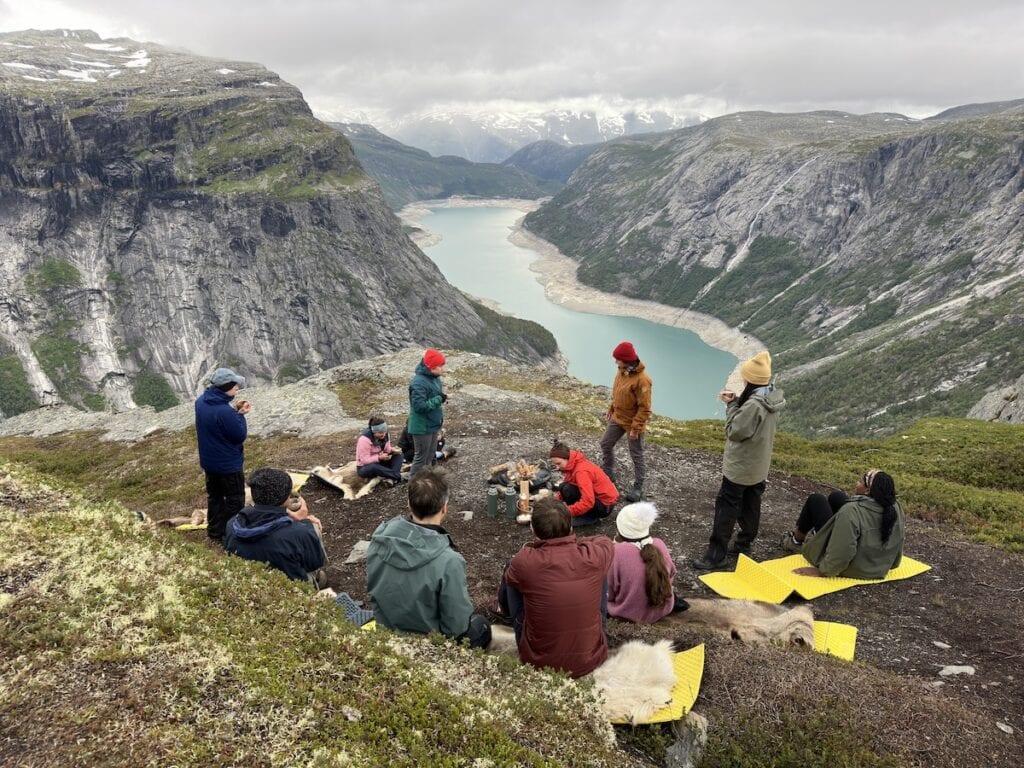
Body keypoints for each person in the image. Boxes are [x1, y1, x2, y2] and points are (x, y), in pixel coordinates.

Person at [366, 468, 491, 648]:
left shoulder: (380, 538)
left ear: (409, 503)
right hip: (428, 645)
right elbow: (456, 626)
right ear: (444, 508)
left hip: (387, 630)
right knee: (482, 626)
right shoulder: (449, 561)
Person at [497, 497, 614, 678]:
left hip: (538, 662)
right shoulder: (594, 555)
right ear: (571, 528)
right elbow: (604, 540)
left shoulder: (524, 561)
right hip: (591, 659)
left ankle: (502, 609)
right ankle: (598, 632)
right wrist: (571, 542)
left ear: (533, 530)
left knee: (511, 570)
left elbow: (515, 572)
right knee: (598, 569)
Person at [693, 351, 786, 570]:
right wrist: (738, 403)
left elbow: (735, 432)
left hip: (740, 468)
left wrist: (732, 406)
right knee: (751, 505)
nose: (743, 379)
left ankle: (716, 555)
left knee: (727, 507)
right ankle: (744, 544)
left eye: (746, 377)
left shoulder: (754, 405)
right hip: (759, 466)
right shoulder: (773, 397)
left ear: (751, 379)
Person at [785, 469, 906, 580]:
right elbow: (899, 537)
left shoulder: (850, 511)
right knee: (836, 496)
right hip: (879, 564)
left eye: (860, 481)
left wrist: (824, 571)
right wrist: (891, 563)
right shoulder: (894, 506)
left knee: (816, 500)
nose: (856, 483)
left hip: (855, 569)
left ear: (868, 491)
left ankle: (795, 542)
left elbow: (844, 550)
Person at [224, 467, 327, 584]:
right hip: (290, 588)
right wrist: (306, 524)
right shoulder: (299, 533)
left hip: (248, 582)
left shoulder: (232, 523)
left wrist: (289, 515)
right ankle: (317, 580)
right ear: (287, 497)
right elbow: (315, 562)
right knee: (314, 526)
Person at [195, 367, 251, 543]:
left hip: (210, 462)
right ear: (226, 387)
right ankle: (232, 535)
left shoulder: (201, 402)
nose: (237, 388)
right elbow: (238, 436)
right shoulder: (224, 412)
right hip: (228, 465)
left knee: (215, 497)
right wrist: (240, 415)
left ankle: (214, 532)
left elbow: (216, 424)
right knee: (235, 500)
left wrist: (233, 410)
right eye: (235, 385)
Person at [607, 502, 687, 623]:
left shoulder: (616, 552)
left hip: (627, 614)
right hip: (662, 610)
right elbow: (670, 576)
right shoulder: (659, 544)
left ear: (619, 529)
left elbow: (609, 592)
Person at [600, 341, 653, 503]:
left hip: (633, 423)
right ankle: (608, 471)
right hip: (618, 417)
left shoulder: (643, 380)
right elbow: (617, 392)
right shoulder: (622, 371)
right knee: (605, 443)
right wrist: (611, 408)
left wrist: (636, 428)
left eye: (618, 359)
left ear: (627, 359)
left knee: (636, 455)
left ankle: (638, 487)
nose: (616, 362)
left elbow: (645, 408)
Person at [550, 440, 619, 527]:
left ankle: (590, 517)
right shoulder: (573, 463)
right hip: (597, 499)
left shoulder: (581, 472)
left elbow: (588, 501)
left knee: (567, 489)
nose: (557, 467)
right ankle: (580, 511)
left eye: (558, 463)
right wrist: (554, 502)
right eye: (555, 464)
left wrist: (566, 511)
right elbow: (568, 481)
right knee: (564, 487)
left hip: (605, 506)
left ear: (567, 458)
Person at [407, 348, 447, 477]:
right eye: (440, 366)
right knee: (421, 459)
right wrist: (439, 399)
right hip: (422, 426)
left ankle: (426, 484)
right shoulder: (418, 382)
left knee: (430, 456)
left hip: (432, 424)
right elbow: (419, 407)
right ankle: (413, 488)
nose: (443, 368)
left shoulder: (434, 378)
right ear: (432, 367)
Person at [356, 415, 404, 483]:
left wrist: (392, 450)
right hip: (365, 467)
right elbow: (364, 460)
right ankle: (397, 476)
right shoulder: (364, 440)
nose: (383, 435)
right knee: (373, 467)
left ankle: (392, 476)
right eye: (380, 433)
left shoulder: (385, 435)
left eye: (385, 432)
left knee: (399, 455)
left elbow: (387, 449)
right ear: (374, 432)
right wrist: (379, 458)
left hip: (381, 462)